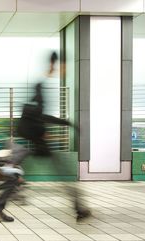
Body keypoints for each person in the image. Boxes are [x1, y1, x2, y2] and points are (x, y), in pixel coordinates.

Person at [16, 51, 91, 222]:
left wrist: (66, 124)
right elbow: (42, 116)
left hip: (37, 141)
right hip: (38, 141)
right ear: (55, 65)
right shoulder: (40, 88)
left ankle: (79, 207)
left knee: (61, 171)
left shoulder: (39, 88)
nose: (63, 70)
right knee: (64, 171)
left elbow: (40, 116)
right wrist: (69, 124)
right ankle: (79, 207)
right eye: (62, 66)